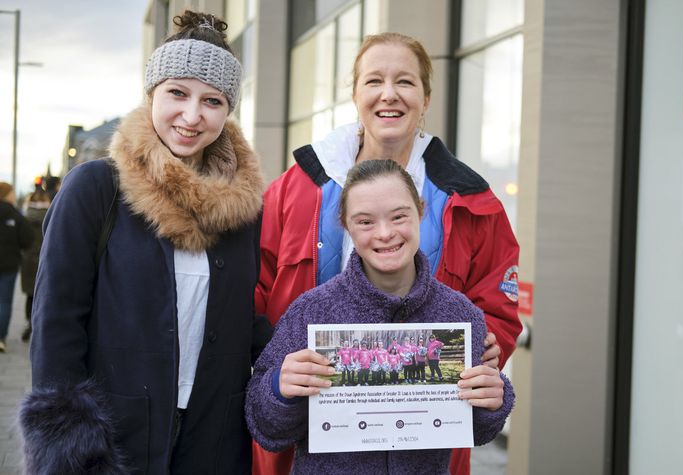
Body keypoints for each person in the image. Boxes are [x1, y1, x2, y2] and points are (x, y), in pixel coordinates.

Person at [254, 31, 521, 475]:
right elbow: (256, 292)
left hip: (423, 435)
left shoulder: (471, 200)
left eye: (406, 82)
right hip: (312, 431)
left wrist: (478, 356)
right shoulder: (296, 188)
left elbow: (497, 310)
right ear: (355, 94)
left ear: (426, 97)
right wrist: (278, 374)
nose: (389, 95)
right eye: (374, 81)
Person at [19, 10, 270, 474]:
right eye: (177, 93)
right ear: (152, 93)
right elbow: (57, 321)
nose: (192, 116)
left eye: (212, 101)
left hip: (213, 439)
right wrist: (69, 441)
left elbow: (246, 321)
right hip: (112, 437)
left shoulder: (242, 207)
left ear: (228, 110)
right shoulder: (97, 187)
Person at [246, 159, 514, 474]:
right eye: (365, 222)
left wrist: (495, 397)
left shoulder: (459, 315)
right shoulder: (310, 312)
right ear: (345, 224)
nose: (385, 234)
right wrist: (279, 387)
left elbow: (480, 430)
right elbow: (265, 428)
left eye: (399, 216)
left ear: (421, 212)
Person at [0, 182, 35, 353]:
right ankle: (0, 339)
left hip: (9, 264)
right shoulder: (14, 214)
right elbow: (28, 239)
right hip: (9, 264)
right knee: (4, 302)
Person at [19, 183, 51, 342]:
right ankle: (40, 325)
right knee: (46, 293)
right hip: (48, 258)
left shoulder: (25, 217)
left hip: (29, 259)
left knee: (30, 295)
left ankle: (28, 322)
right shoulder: (53, 214)